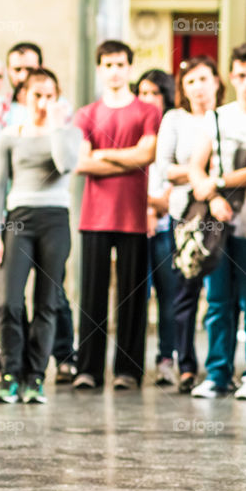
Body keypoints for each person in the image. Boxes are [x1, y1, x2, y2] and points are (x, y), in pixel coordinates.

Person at [0, 68, 82, 404]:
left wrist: (56, 124)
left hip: (55, 218)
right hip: (18, 218)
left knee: (48, 300)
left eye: (49, 95)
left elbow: (66, 163)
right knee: (9, 300)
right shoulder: (9, 135)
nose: (42, 102)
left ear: (58, 98)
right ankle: (11, 373)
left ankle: (36, 377)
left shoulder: (69, 133)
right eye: (36, 95)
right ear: (25, 95)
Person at [72, 40, 161, 391]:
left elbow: (147, 155)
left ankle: (128, 370)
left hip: (134, 217)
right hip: (94, 217)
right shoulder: (86, 114)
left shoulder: (147, 111)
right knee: (92, 295)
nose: (114, 70)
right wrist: (128, 156)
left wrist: (104, 156)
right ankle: (88, 369)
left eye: (120, 64)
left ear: (129, 67)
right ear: (99, 69)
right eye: (107, 65)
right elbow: (80, 162)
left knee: (132, 297)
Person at [189, 41, 246, 400]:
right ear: (231, 77)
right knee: (219, 301)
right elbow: (196, 167)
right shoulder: (218, 117)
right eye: (240, 76)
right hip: (219, 225)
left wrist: (221, 182)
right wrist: (211, 196)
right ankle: (218, 373)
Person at [151, 56, 223, 393]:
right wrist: (203, 175)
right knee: (185, 292)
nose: (198, 87)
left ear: (217, 82)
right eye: (190, 81)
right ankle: (186, 366)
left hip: (224, 214)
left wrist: (194, 170)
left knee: (223, 295)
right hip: (186, 215)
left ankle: (220, 367)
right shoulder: (175, 119)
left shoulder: (227, 117)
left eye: (204, 79)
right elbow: (164, 167)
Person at [134, 68, 180, 387]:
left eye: (155, 93)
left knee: (169, 294)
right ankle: (131, 359)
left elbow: (177, 177)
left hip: (167, 226)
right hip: (134, 226)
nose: (148, 99)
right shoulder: (133, 126)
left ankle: (167, 357)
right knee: (135, 296)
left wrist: (154, 206)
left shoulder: (174, 126)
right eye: (143, 92)